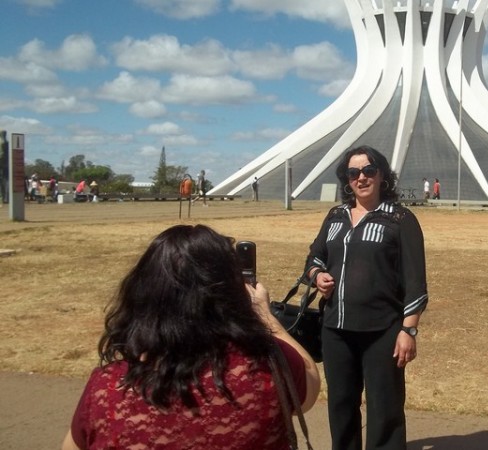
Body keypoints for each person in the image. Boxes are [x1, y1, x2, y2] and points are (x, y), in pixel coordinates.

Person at [61, 224, 321, 450]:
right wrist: (264, 314)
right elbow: (310, 379)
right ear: (230, 293)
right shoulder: (269, 370)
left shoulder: (106, 390)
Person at [305, 145, 428, 450]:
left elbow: (415, 281)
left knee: (384, 407)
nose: (361, 178)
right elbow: (314, 258)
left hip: (382, 331)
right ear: (346, 179)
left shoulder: (400, 219)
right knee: (341, 405)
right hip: (335, 330)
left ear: (382, 175)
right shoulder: (335, 216)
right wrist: (317, 277)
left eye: (368, 170)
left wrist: (408, 330)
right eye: (353, 173)